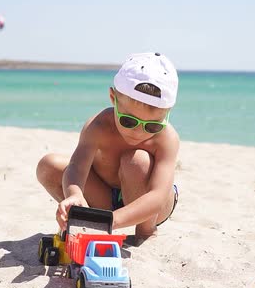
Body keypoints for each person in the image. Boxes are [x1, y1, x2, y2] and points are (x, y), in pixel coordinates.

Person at [36, 52, 180, 243]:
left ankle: (146, 231)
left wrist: (111, 221)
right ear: (113, 98)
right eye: (128, 121)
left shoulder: (166, 138)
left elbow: (157, 196)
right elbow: (77, 167)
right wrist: (74, 195)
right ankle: (86, 218)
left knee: (137, 160)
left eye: (152, 126)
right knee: (49, 165)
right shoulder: (98, 126)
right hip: (105, 196)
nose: (138, 132)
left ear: (167, 113)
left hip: (152, 206)